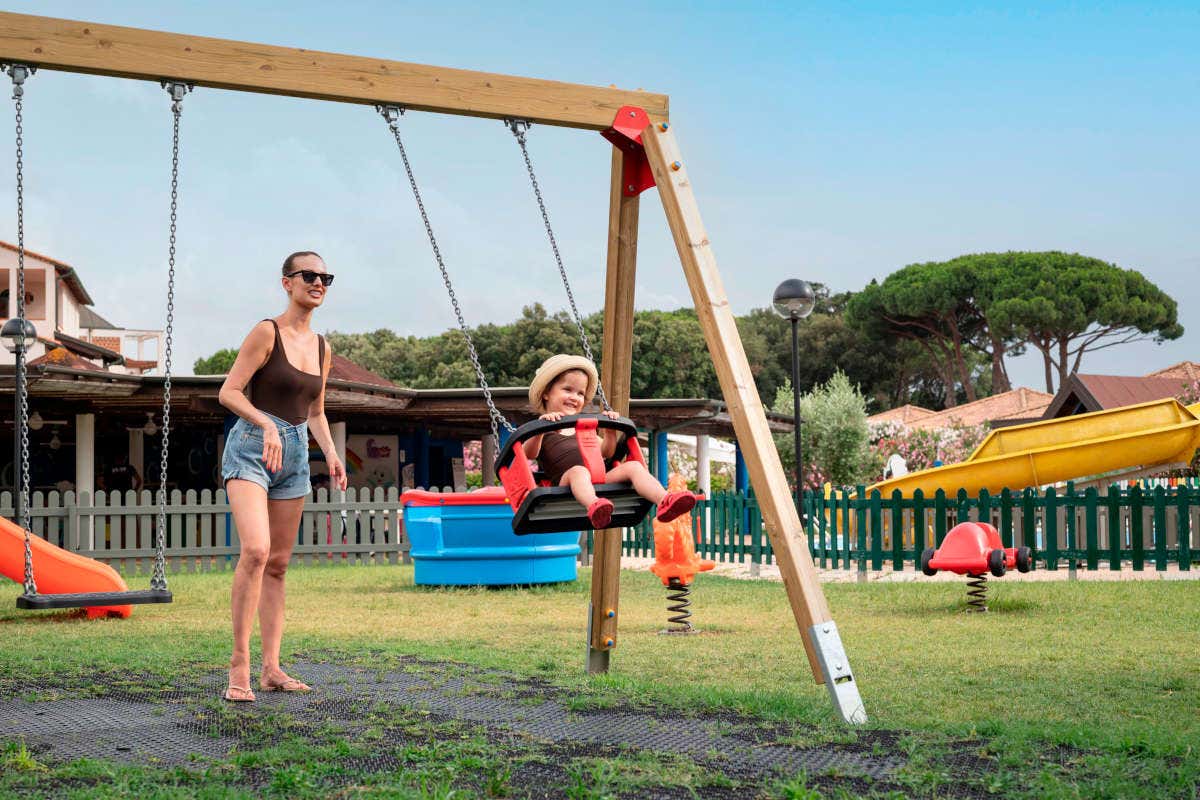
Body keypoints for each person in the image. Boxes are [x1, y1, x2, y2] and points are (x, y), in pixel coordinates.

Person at [217, 251, 347, 703]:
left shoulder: (323, 347)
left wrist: (331, 453)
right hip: (253, 447)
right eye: (309, 275)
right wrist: (267, 423)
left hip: (294, 457)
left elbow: (316, 411)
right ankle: (240, 664)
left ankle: (272, 668)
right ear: (286, 283)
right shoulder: (265, 332)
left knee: (277, 565)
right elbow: (229, 392)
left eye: (325, 277)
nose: (319, 283)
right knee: (256, 550)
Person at [523, 354, 695, 529]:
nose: (575, 397)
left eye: (580, 393)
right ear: (546, 393)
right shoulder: (543, 427)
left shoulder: (583, 427)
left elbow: (606, 452)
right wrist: (541, 428)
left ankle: (665, 501)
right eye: (567, 390)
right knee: (579, 471)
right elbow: (528, 454)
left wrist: (610, 432)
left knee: (634, 467)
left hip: (600, 478)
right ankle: (595, 506)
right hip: (567, 482)